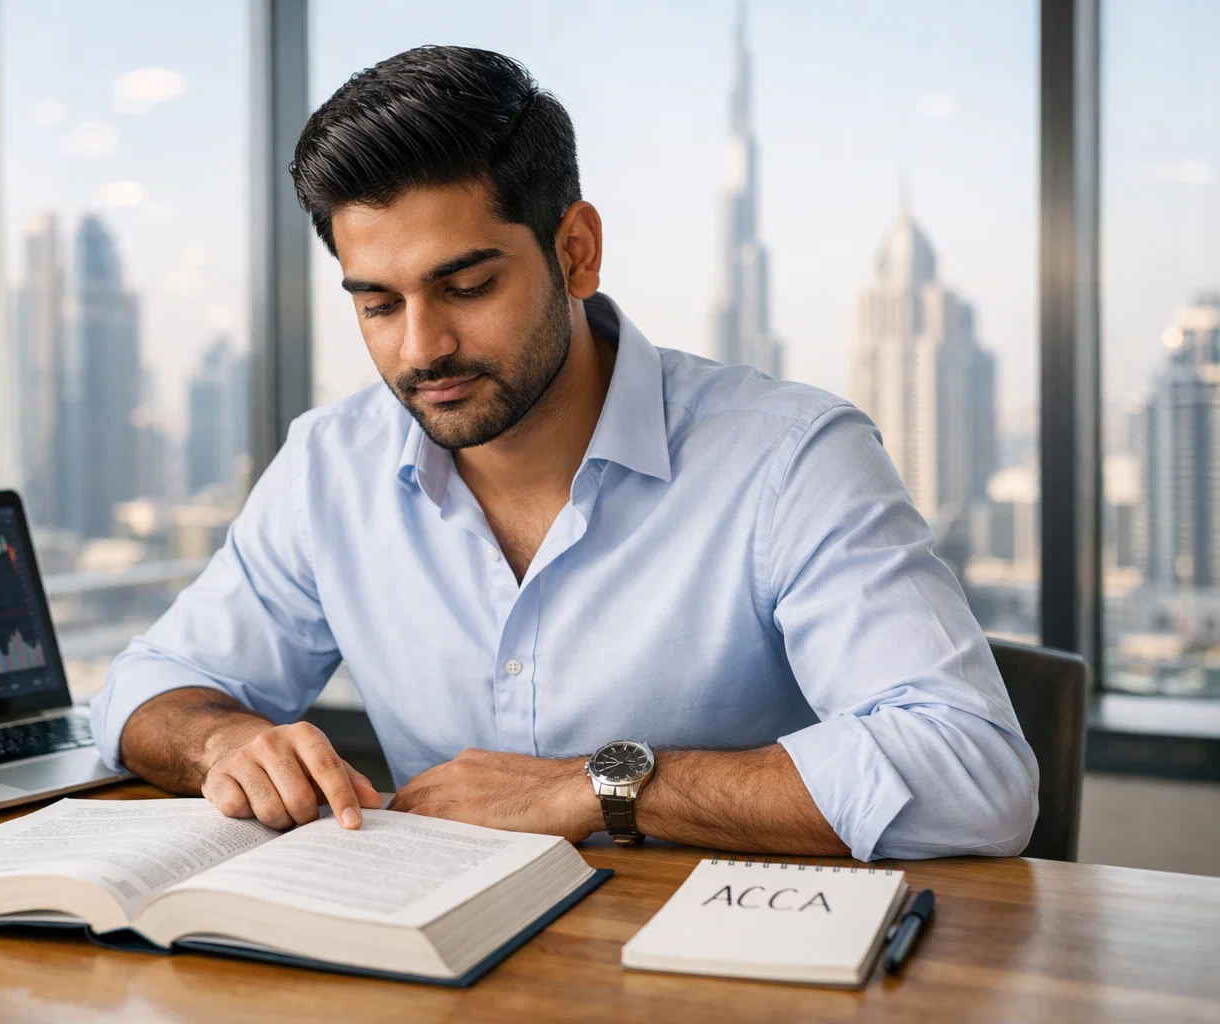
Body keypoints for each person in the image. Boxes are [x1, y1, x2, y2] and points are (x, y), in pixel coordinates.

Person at [90, 45, 1037, 861]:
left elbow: (974, 770)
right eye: (378, 304)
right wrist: (225, 744)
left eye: (465, 286)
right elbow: (143, 687)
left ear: (575, 251)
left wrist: (594, 788)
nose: (420, 349)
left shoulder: (790, 459)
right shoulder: (329, 466)